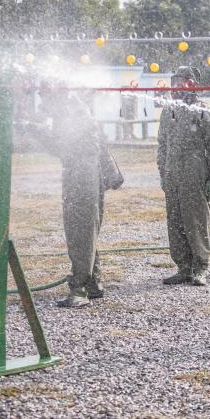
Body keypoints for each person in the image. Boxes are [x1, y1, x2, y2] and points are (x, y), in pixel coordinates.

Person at [35, 83, 122, 308]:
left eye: (44, 96)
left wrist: (38, 132)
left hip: (83, 175)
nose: (42, 101)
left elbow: (65, 147)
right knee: (84, 230)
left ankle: (79, 289)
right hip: (80, 173)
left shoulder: (73, 112)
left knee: (79, 231)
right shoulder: (69, 110)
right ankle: (93, 283)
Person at [157, 66, 210, 286]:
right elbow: (162, 144)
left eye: (181, 82)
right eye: (174, 82)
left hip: (195, 172)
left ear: (191, 84)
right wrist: (163, 172)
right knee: (175, 221)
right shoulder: (169, 110)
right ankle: (183, 267)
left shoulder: (202, 110)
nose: (176, 87)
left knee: (196, 220)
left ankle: (200, 267)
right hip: (172, 173)